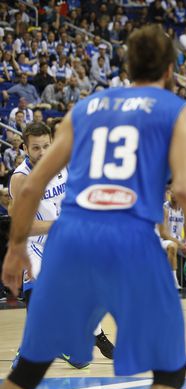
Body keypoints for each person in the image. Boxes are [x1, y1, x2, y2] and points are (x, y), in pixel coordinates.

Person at [0, 25, 186, 389]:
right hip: (130, 239)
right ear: (172, 70)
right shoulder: (179, 111)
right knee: (170, 372)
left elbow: (32, 184)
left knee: (28, 368)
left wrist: (15, 248)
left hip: (70, 237)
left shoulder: (85, 107)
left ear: (125, 67)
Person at [8, 122, 115, 370]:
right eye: (36, 148)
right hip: (37, 244)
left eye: (47, 146)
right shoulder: (21, 179)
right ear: (24, 148)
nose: (43, 152)